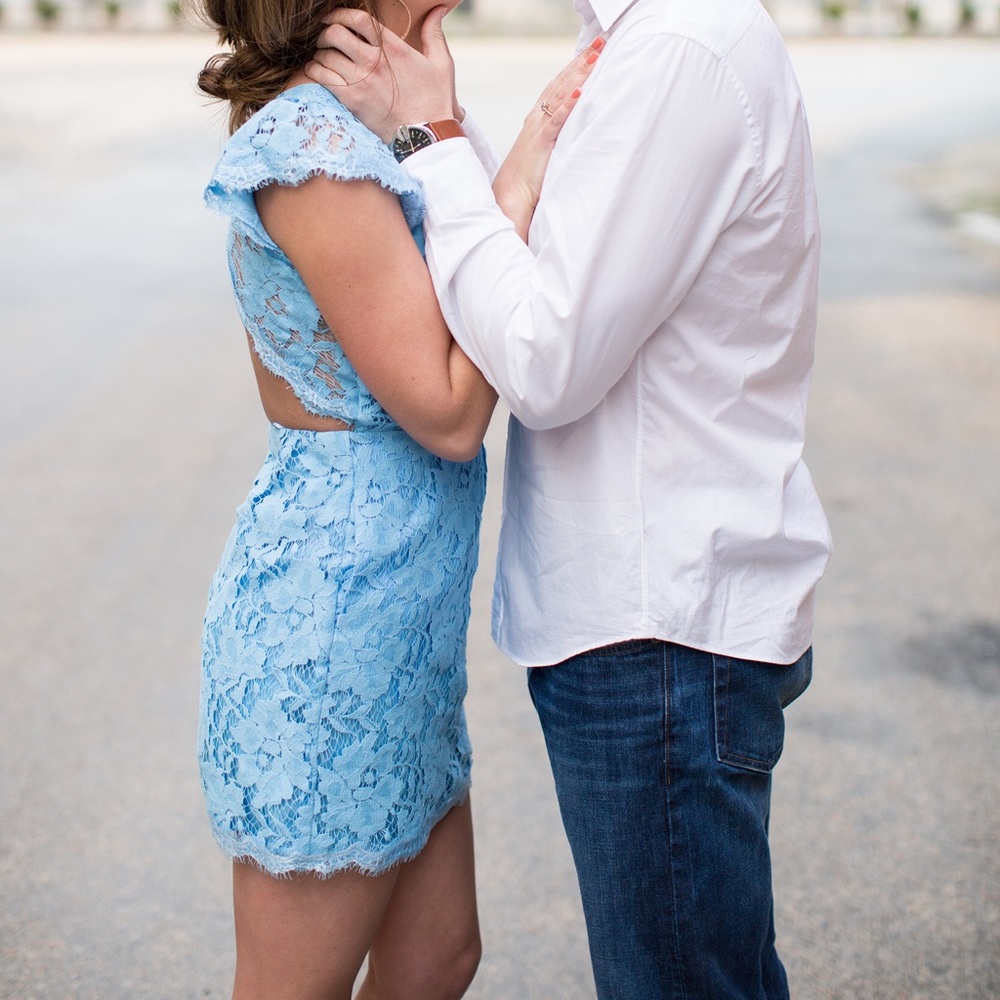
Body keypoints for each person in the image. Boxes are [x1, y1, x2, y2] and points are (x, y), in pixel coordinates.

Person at [305, 1, 833, 997]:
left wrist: (428, 139)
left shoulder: (678, 47)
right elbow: (554, 280)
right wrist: (459, 131)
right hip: (646, 614)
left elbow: (543, 357)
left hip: (658, 623)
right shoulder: (644, 40)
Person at [193, 1, 598, 997]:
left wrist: (440, 117)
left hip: (396, 619)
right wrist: (520, 163)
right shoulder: (312, 146)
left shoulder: (375, 109)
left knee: (435, 956)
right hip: (335, 620)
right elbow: (452, 408)